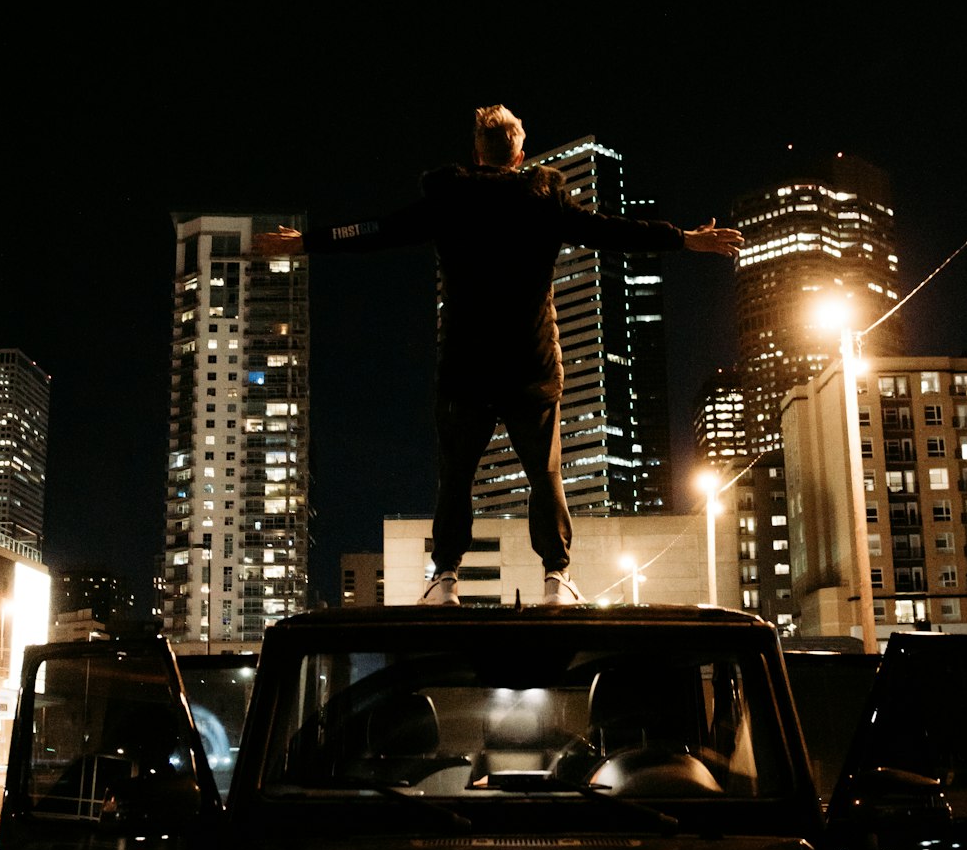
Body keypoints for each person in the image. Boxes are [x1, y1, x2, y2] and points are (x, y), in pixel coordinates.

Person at [254, 105, 742, 607]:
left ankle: (445, 579)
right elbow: (614, 230)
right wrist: (684, 238)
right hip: (530, 365)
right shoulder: (543, 201)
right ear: (519, 153)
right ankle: (556, 579)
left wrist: (308, 242)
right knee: (545, 475)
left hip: (466, 368)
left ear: (476, 152)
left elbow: (378, 230)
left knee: (458, 477)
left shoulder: (448, 201)